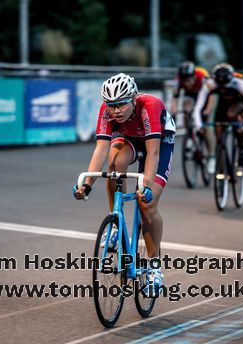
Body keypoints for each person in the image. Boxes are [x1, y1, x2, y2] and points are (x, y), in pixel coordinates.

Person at [73, 73, 176, 290]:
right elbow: (100, 149)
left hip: (159, 141)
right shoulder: (107, 111)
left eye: (121, 104)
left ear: (133, 98)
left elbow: (153, 153)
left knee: (147, 204)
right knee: (114, 163)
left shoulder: (150, 106)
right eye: (111, 105)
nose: (116, 110)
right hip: (129, 138)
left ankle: (154, 265)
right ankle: (115, 222)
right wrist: (87, 184)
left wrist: (145, 187)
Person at [193, 63, 243, 173]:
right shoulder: (209, 84)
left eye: (225, 85)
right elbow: (198, 108)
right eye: (220, 85)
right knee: (218, 132)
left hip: (238, 105)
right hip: (222, 107)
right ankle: (221, 156)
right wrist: (199, 126)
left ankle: (241, 148)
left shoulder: (240, 84)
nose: (223, 88)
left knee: (234, 118)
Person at [170, 61, 209, 129]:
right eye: (184, 80)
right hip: (190, 94)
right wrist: (173, 115)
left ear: (194, 76)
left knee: (205, 114)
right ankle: (188, 132)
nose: (187, 83)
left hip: (203, 94)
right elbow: (175, 98)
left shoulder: (201, 75)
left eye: (189, 80)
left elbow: (210, 94)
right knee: (186, 110)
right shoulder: (178, 80)